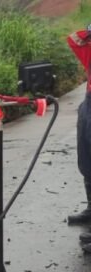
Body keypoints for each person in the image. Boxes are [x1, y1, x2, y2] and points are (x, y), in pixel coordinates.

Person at [67, 25, 91, 237]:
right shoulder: (89, 51)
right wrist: (89, 30)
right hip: (89, 104)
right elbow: (73, 39)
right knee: (86, 159)